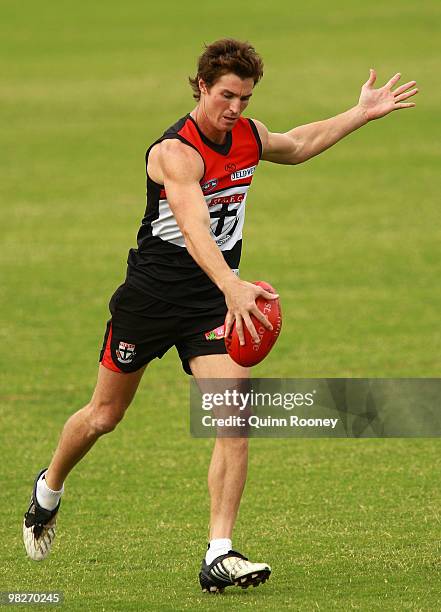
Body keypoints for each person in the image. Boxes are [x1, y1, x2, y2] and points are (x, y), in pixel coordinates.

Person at [23, 38, 418, 593]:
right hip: (152, 300)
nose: (235, 108)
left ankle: (219, 552)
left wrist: (359, 113)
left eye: (246, 98)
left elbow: (298, 144)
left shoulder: (248, 137)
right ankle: (49, 489)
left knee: (234, 419)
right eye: (227, 95)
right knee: (103, 417)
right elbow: (193, 226)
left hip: (212, 302)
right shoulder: (174, 153)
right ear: (202, 86)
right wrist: (233, 284)